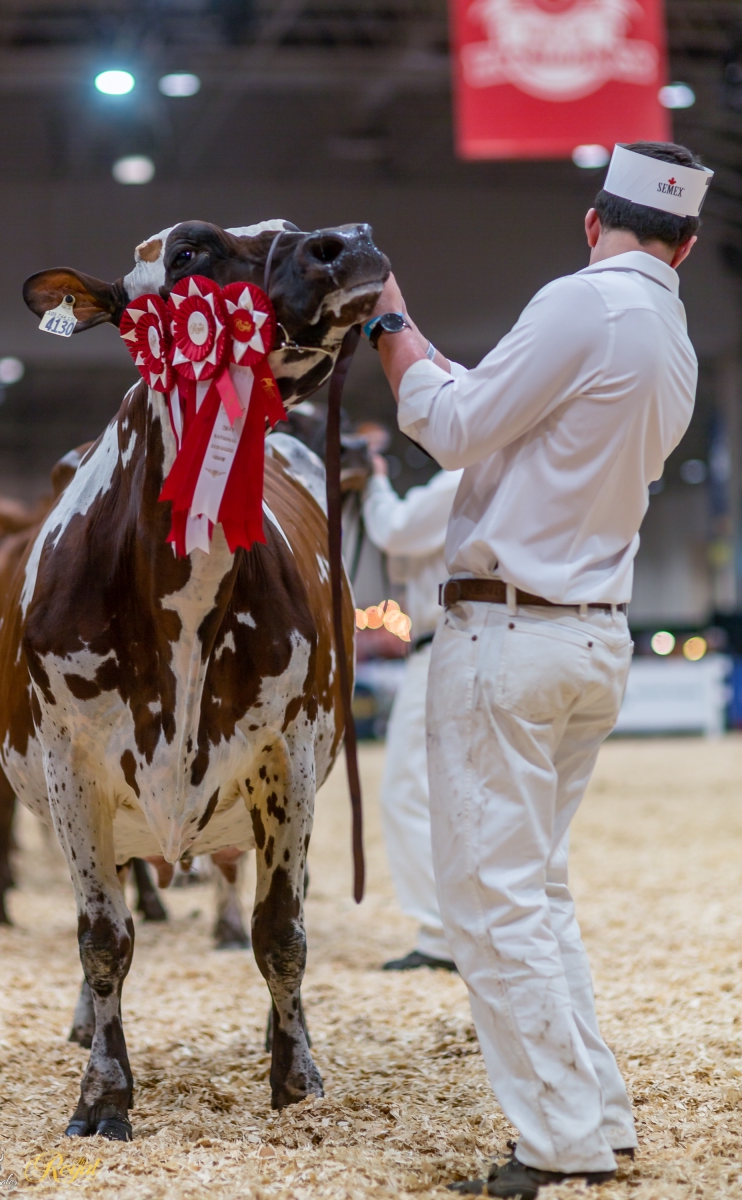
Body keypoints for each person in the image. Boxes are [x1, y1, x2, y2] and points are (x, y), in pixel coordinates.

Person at [362, 141, 711, 1198]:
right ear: (688, 245)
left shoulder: (579, 301)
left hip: (507, 637)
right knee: (535, 892)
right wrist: (425, 350)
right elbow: (495, 412)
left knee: (492, 903)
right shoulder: (672, 337)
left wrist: (388, 320)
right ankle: (592, 1115)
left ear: (592, 221)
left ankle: (559, 1140)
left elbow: (450, 425)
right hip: (588, 638)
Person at [362, 453, 462, 971]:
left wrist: (375, 480)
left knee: (407, 790)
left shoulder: (465, 473)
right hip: (462, 639)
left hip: (444, 643)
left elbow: (396, 531)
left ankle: (442, 935)